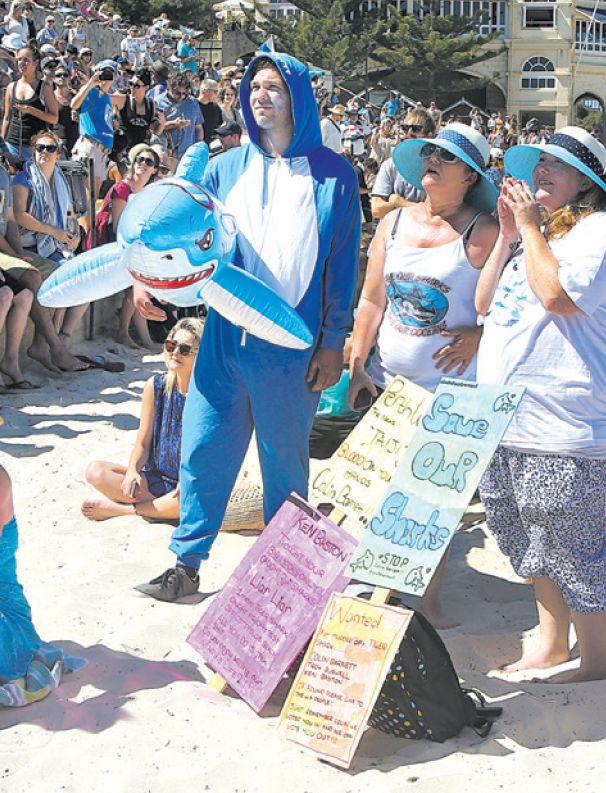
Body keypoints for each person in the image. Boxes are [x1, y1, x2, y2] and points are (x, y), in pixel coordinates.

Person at [134, 52, 361, 601]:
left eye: (274, 88)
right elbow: (182, 236)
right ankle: (185, 564)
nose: (261, 96)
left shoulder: (335, 175)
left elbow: (342, 265)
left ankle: (287, 578)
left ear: (299, 97)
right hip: (221, 338)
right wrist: (148, 278)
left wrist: (334, 342)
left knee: (284, 462)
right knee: (204, 449)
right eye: (254, 86)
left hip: (291, 345)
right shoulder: (223, 167)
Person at [348, 123, 498, 626]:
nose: (432, 160)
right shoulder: (393, 225)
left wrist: (478, 337)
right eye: (430, 152)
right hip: (391, 382)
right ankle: (383, 584)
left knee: (436, 502)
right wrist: (356, 361)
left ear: (469, 176)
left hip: (456, 392)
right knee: (383, 489)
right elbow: (372, 299)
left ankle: (427, 602)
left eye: (447, 157)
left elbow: (510, 308)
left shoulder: (485, 231)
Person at [476, 127, 606, 683]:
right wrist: (510, 235)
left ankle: (598, 660)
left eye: (559, 165)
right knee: (529, 541)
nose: (542, 171)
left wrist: (529, 228)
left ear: (588, 182)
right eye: (540, 162)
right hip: (507, 419)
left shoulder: (597, 231)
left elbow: (557, 296)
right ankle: (552, 644)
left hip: (563, 422)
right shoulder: (539, 236)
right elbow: (485, 303)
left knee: (573, 546)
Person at [82, 318, 204, 522]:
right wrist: (132, 471)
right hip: (155, 477)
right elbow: (142, 443)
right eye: (171, 345)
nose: (175, 353)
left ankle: (125, 510)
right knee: (96, 471)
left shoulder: (205, 396)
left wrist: (188, 479)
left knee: (188, 499)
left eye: (184, 349)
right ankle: (157, 508)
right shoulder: (155, 386)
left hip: (188, 481)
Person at [71, 59, 122, 202]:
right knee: (87, 197)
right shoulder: (92, 91)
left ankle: (89, 223)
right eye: (103, 72)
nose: (106, 77)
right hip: (90, 146)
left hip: (101, 151)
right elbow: (74, 104)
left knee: (92, 198)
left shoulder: (106, 97)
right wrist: (90, 83)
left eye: (109, 73)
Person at [370, 108, 434, 220]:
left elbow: (434, 213)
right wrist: (415, 208)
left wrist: (398, 202)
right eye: (405, 127)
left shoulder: (437, 168)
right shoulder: (390, 165)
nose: (408, 133)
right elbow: (376, 210)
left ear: (429, 135)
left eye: (415, 128)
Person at [2, 45, 58, 163]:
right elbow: (7, 118)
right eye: (19, 59)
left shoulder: (44, 88)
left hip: (35, 148)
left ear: (35, 63)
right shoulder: (11, 87)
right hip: (12, 145)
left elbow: (54, 118)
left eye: (26, 60)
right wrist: (2, 144)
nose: (22, 63)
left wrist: (31, 110)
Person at [155, 72, 203, 159]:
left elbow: (198, 127)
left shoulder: (193, 102)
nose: (181, 96)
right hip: (167, 153)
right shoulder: (158, 102)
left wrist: (199, 147)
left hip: (188, 153)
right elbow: (154, 130)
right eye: (177, 93)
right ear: (169, 88)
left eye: (184, 93)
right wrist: (173, 124)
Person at [52, 63, 79, 155]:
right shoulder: (50, 97)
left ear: (69, 78)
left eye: (65, 75)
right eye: (58, 75)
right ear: (53, 79)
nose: (62, 77)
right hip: (58, 143)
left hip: (76, 142)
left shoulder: (76, 97)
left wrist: (79, 117)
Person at [198, 78, 222, 144]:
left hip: (212, 146)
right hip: (197, 146)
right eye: (215, 91)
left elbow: (220, 124)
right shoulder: (194, 106)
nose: (217, 94)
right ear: (205, 91)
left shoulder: (215, 107)